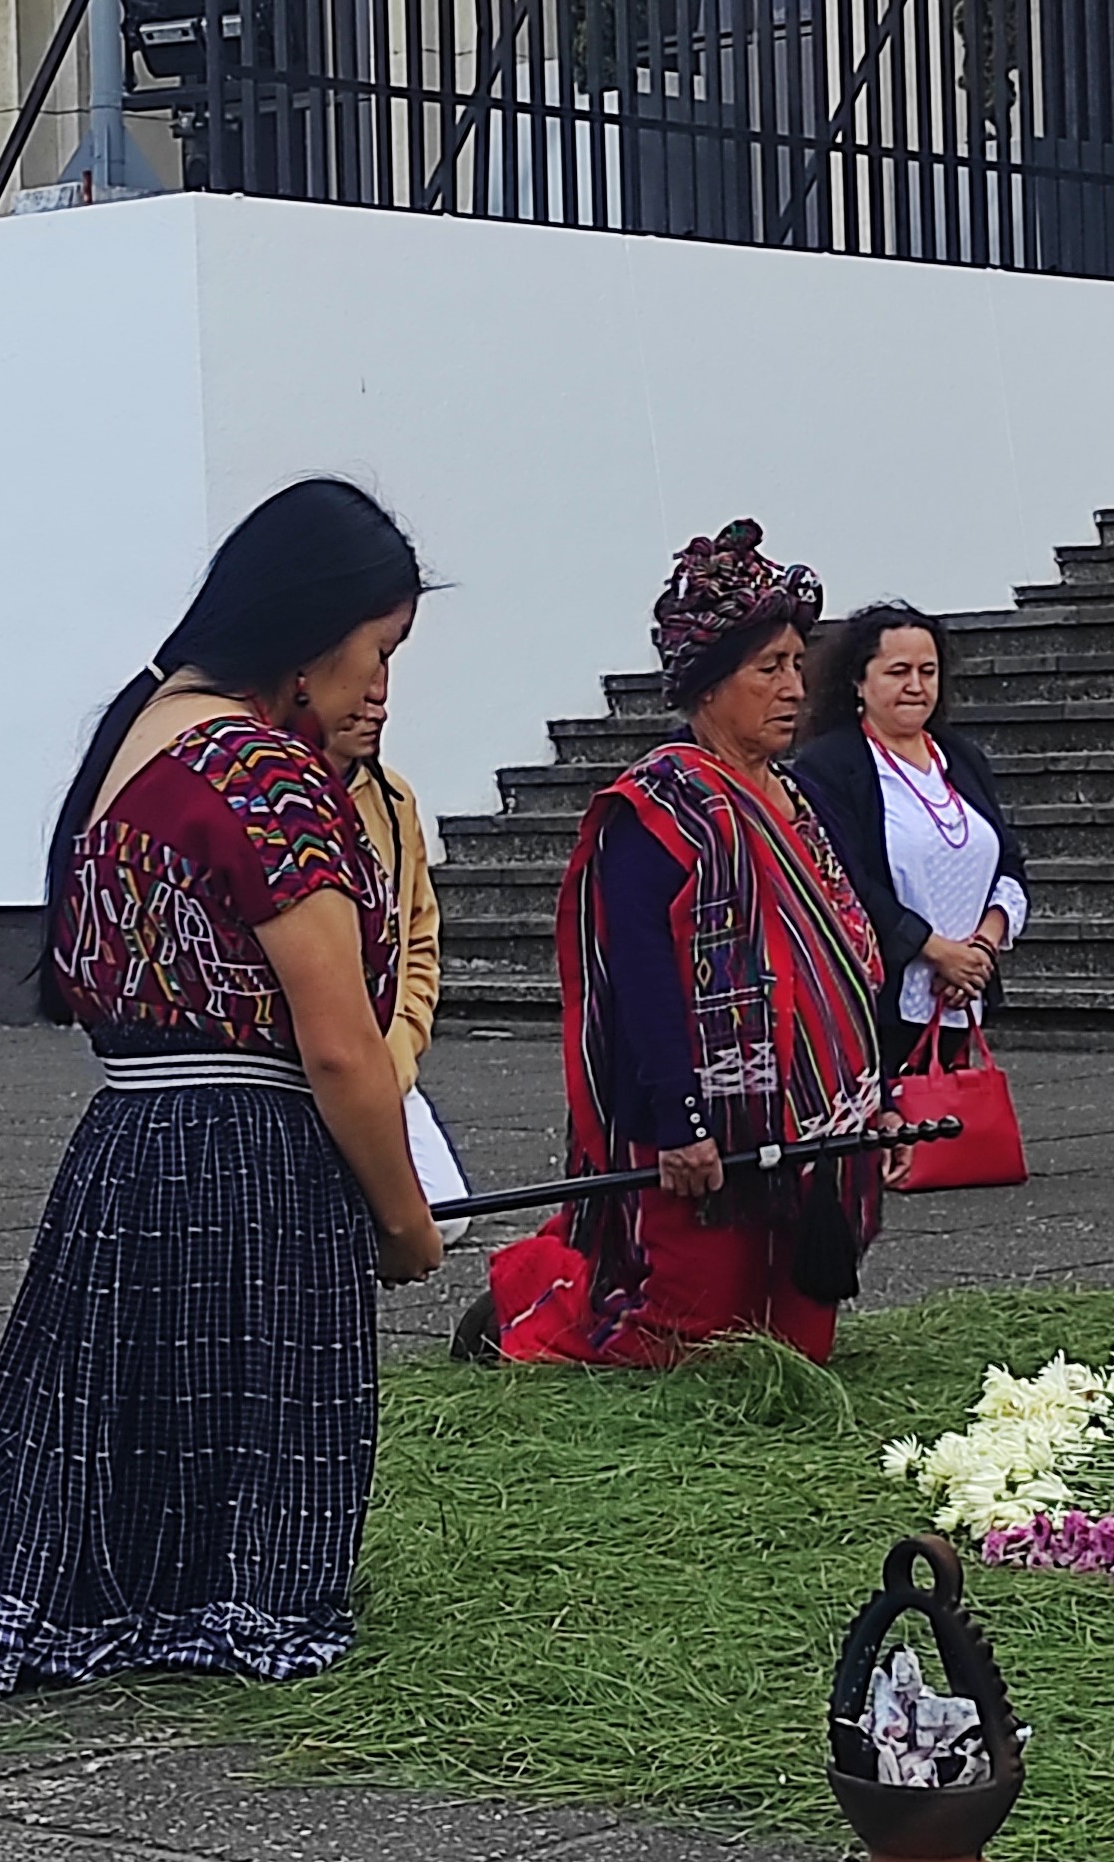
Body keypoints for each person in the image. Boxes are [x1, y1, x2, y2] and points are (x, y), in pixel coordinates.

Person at [0, 481, 442, 1693]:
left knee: (107, 1453)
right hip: (245, 1152)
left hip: (137, 1137)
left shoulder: (142, 733)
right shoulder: (262, 774)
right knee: (235, 1513)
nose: (382, 690)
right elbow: (338, 1047)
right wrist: (404, 1214)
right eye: (378, 653)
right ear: (309, 631)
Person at [478, 522, 892, 1369]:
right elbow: (638, 975)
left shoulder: (799, 798)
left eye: (796, 662)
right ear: (708, 686)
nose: (793, 686)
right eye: (767, 668)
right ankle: (522, 1305)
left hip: (814, 1124)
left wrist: (878, 1093)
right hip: (705, 1123)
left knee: (794, 1345)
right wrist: (683, 1121)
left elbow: (841, 948)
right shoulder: (659, 808)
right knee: (684, 1339)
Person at [795, 602, 1031, 1088]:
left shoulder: (961, 757)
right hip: (879, 998)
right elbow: (846, 878)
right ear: (858, 682)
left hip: (965, 991)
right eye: (898, 671)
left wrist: (979, 950)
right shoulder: (829, 766)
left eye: (928, 671)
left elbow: (1007, 861)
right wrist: (936, 951)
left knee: (950, 1141)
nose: (916, 686)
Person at [332, 700, 471, 1209]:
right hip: (305, 1067)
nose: (378, 706)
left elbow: (419, 929)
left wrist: (404, 1037)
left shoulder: (393, 798)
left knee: (445, 1214)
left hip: (383, 1059)